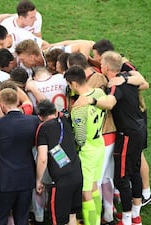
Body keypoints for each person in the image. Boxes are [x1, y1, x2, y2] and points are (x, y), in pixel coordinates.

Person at [73, 51, 149, 225]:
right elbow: (144, 82)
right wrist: (128, 79)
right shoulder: (127, 76)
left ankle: (129, 220)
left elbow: (110, 103)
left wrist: (91, 100)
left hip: (127, 134)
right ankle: (136, 216)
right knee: (135, 171)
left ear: (105, 67)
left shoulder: (115, 85)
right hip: (139, 129)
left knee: (121, 177)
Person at [91, 39, 151, 207]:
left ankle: (143, 196)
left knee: (132, 164)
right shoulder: (119, 69)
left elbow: (144, 83)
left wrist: (90, 99)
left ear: (104, 61)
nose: (94, 59)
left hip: (131, 122)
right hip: (134, 120)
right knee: (132, 165)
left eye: (96, 57)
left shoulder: (123, 71)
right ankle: (135, 210)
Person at [0, 88, 40, 225]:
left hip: (4, 180)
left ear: (2, 105)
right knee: (22, 220)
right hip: (26, 178)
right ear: (18, 102)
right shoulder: (33, 121)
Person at [65, 66, 107, 225]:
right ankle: (97, 219)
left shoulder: (79, 108)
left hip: (87, 152)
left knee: (86, 192)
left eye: (69, 85)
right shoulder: (99, 93)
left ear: (74, 84)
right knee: (95, 186)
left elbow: (80, 138)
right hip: (99, 145)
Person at [36, 99, 83, 225]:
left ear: (40, 117)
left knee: (59, 220)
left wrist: (38, 180)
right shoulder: (64, 121)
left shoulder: (43, 129)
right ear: (55, 111)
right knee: (72, 216)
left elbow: (42, 158)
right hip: (77, 175)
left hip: (61, 182)